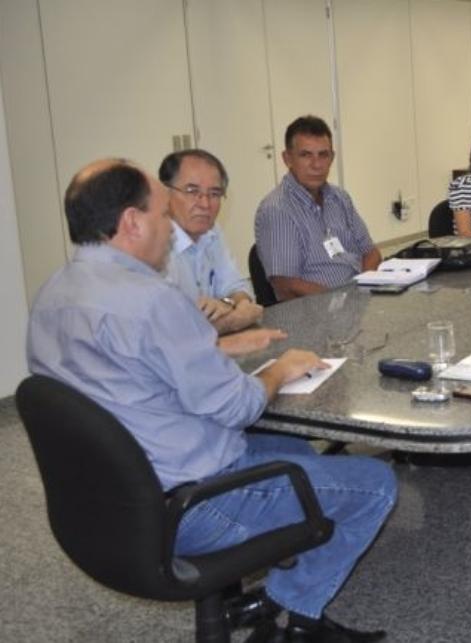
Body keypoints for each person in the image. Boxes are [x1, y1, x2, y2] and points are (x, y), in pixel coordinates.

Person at [28, 159, 397, 643]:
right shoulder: (151, 300)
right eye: (164, 213)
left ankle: (273, 601)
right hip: (192, 504)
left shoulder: (52, 294)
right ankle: (297, 619)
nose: (171, 225)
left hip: (111, 501)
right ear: (132, 222)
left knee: (301, 455)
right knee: (376, 482)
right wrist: (281, 369)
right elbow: (238, 407)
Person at [255, 115, 382, 302]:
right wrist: (342, 300)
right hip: (317, 314)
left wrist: (365, 286)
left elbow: (370, 252)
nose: (317, 165)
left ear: (332, 157)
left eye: (323, 155)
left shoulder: (340, 198)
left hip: (357, 302)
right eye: (306, 155)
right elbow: (286, 286)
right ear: (287, 158)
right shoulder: (277, 210)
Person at [159, 149, 265, 335]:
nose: (205, 204)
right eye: (192, 191)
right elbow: (170, 330)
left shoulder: (211, 231)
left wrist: (235, 303)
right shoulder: (154, 244)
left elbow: (237, 286)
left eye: (214, 194)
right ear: (165, 193)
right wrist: (234, 319)